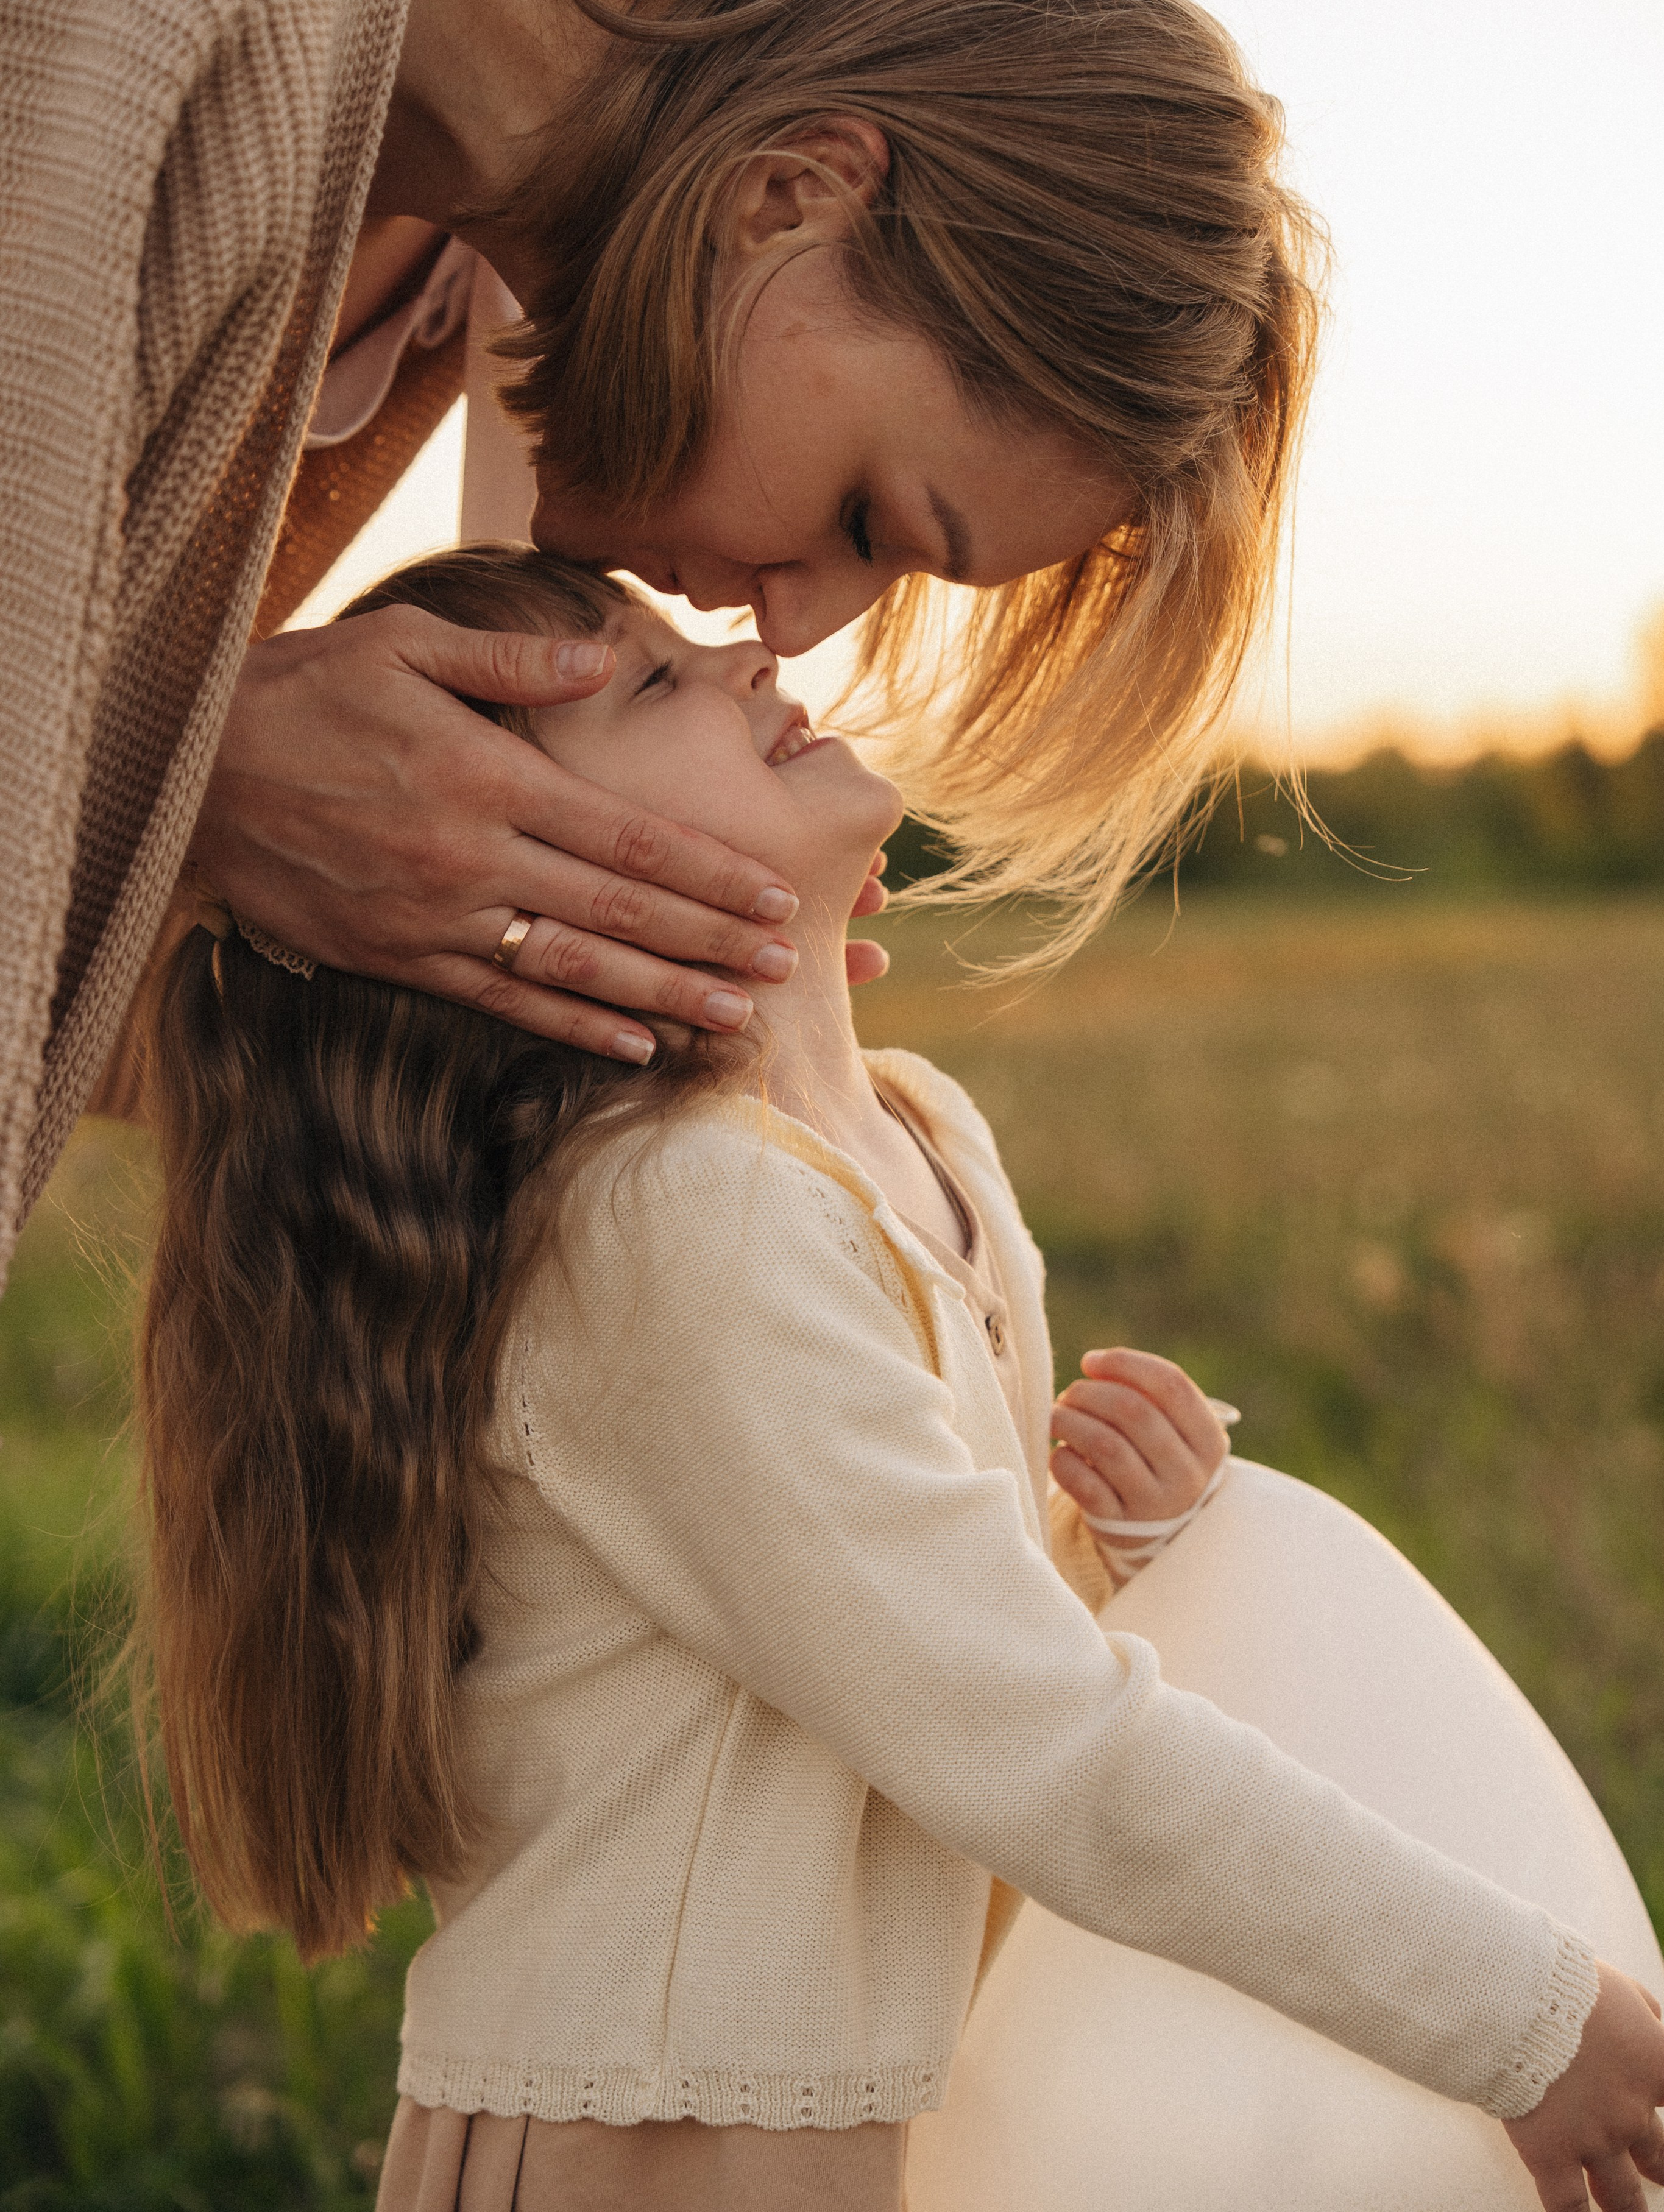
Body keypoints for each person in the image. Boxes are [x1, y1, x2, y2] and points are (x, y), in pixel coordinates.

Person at [133, 543, 1664, 2212]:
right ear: (530, 871)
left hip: (865, 2113)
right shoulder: (676, 1223)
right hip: (653, 2140)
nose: (739, 657)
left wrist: (1124, 1558)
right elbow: (1028, 1740)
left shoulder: (918, 1135)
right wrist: (1520, 2022)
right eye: (649, 680)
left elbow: (912, 1635)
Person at [0, 0, 1318, 1287]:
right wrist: (201, 772)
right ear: (794, 194)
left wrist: (500, 967)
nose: (796, 620)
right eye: (865, 522)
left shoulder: (444, 256)